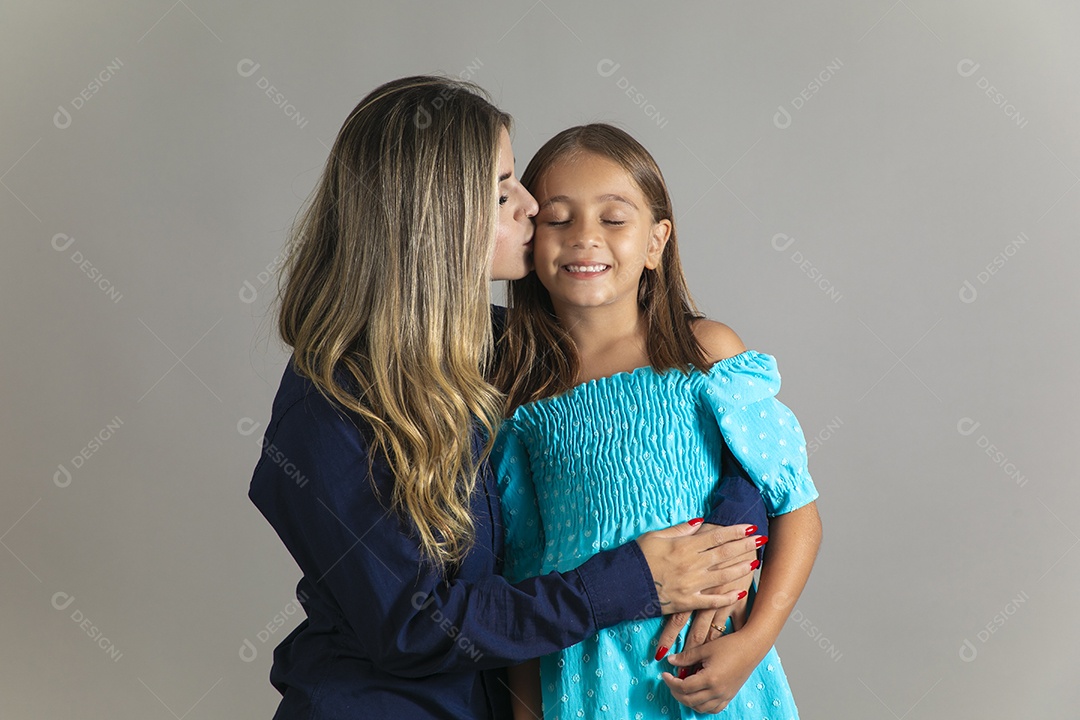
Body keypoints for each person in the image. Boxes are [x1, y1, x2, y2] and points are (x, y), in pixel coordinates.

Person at [248, 77, 769, 719]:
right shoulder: (328, 408)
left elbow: (721, 439)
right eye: (502, 192)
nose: (531, 205)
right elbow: (414, 626)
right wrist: (636, 581)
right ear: (436, 218)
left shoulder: (511, 349)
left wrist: (728, 549)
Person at [492, 123, 823, 718]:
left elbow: (796, 508)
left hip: (706, 669)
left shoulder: (705, 358)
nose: (584, 238)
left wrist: (752, 645)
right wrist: (525, 710)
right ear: (530, 240)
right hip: (585, 679)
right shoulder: (524, 403)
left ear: (656, 242)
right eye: (558, 219)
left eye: (613, 220)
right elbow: (523, 572)